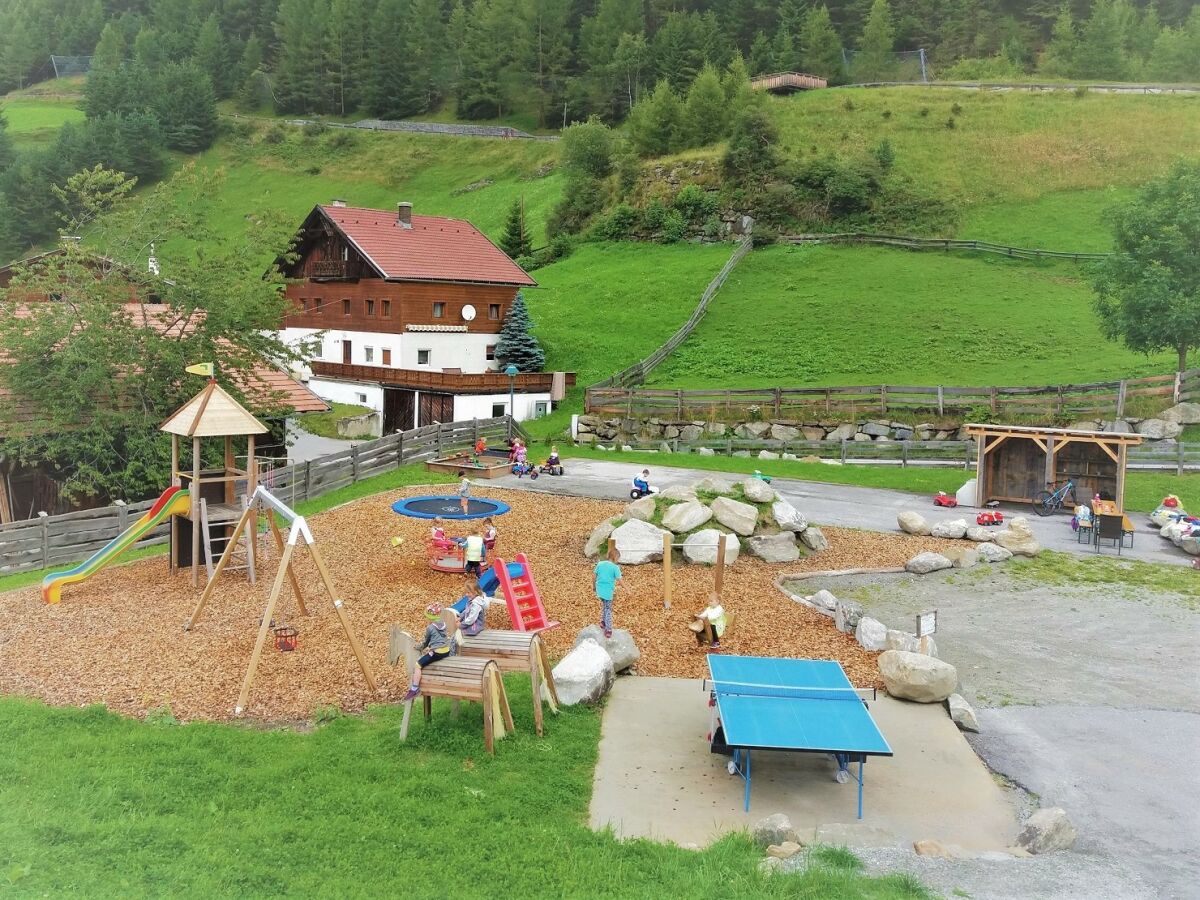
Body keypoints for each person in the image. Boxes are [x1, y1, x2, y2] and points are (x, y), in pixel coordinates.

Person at [401, 604, 453, 700]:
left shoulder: (430, 628)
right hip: (446, 650)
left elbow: (426, 642)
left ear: (430, 617)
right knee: (429, 655)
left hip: (438, 652)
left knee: (418, 664)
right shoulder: (443, 624)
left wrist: (419, 647)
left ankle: (414, 688)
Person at [593, 544, 623, 639]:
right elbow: (620, 580)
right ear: (615, 557)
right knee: (608, 609)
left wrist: (593, 586)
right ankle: (608, 629)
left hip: (599, 590)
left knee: (605, 606)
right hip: (607, 592)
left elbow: (594, 576)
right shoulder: (615, 568)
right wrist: (627, 589)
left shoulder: (600, 564)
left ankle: (603, 622)